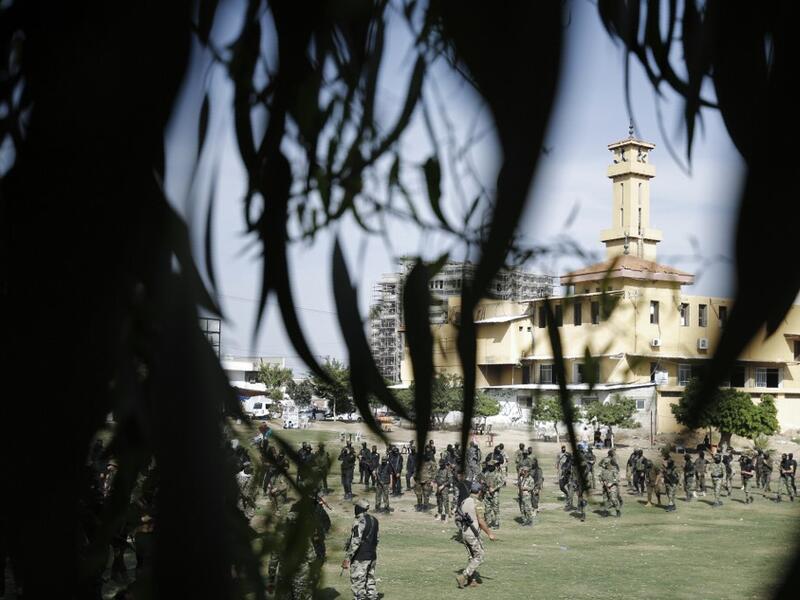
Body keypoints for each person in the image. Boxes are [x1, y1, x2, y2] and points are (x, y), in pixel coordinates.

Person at [455, 481, 496, 589]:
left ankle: (471, 581)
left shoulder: (464, 501)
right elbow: (481, 521)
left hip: (464, 533)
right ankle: (464, 575)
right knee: (480, 556)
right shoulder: (478, 503)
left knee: (472, 556)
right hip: (473, 534)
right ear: (479, 492)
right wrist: (490, 533)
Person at [342, 499, 380, 600]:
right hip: (372, 555)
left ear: (358, 508)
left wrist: (347, 558)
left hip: (360, 557)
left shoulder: (359, 521)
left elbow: (355, 541)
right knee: (370, 580)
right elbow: (377, 539)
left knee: (358, 582)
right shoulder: (374, 520)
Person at [481, 459, 503, 529]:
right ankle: (488, 522)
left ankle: (496, 523)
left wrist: (494, 488)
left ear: (494, 466)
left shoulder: (497, 474)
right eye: (489, 466)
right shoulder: (486, 473)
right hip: (487, 494)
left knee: (495, 509)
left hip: (494, 494)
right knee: (487, 509)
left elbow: (501, 483)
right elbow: (484, 482)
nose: (490, 467)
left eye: (491, 466)